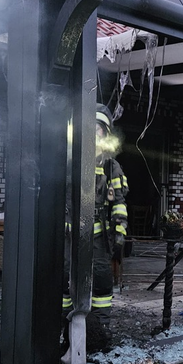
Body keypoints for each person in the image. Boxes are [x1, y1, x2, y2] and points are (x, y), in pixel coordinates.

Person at [62, 105, 128, 347]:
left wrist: (119, 235)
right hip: (69, 237)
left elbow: (119, 204)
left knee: (101, 283)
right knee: (65, 284)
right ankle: (65, 331)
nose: (94, 134)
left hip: (99, 240)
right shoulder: (67, 161)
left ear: (105, 134)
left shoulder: (111, 166)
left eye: (99, 130)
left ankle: (100, 332)